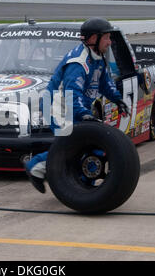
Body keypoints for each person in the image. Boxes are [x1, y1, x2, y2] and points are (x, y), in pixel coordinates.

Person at [25, 17, 129, 193]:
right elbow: (71, 92)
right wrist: (83, 114)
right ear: (93, 39)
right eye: (107, 38)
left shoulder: (98, 58)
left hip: (76, 107)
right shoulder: (78, 62)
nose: (110, 42)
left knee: (85, 143)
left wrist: (118, 99)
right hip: (58, 106)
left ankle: (79, 180)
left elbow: (105, 83)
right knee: (71, 144)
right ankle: (35, 166)